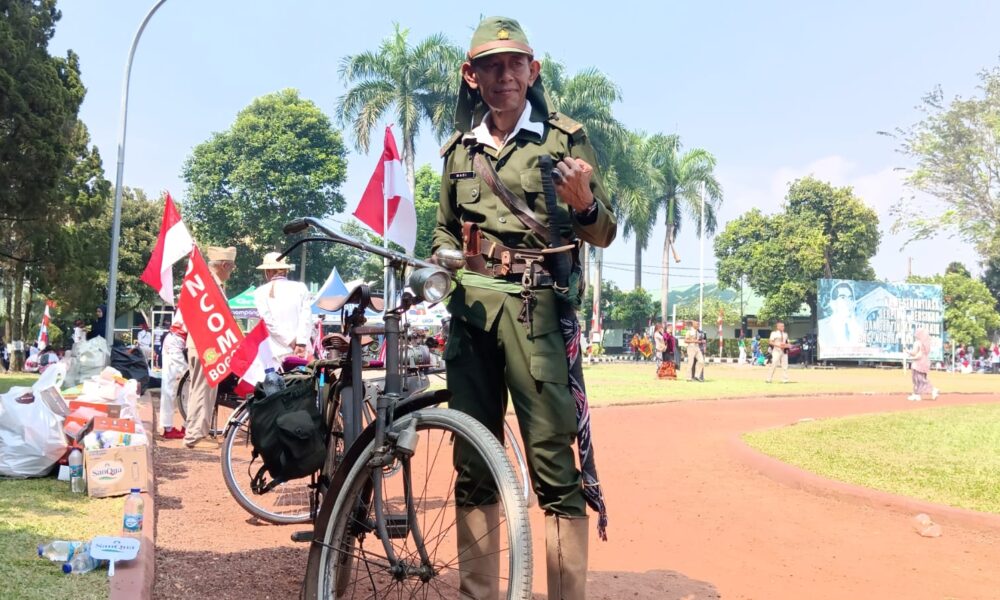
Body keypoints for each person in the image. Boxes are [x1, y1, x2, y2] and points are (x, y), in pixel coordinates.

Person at [432, 16, 616, 599]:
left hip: (536, 317)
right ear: (472, 75)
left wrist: (582, 200)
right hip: (471, 320)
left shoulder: (563, 140)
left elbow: (604, 231)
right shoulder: (459, 153)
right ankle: (478, 593)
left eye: (515, 64)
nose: (504, 75)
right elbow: (441, 233)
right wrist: (446, 259)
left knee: (552, 467)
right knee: (473, 461)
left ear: (533, 70)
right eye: (491, 64)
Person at [183, 246, 237, 450]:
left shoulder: (210, 283)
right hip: (204, 345)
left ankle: (198, 433)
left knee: (204, 390)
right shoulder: (209, 284)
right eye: (232, 267)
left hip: (206, 345)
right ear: (224, 265)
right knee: (202, 390)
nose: (232, 271)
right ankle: (195, 436)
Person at [253, 252, 313, 366]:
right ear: (285, 270)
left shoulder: (259, 293)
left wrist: (291, 342)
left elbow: (268, 323)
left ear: (268, 271)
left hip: (275, 352)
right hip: (302, 352)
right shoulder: (301, 288)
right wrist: (301, 343)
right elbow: (306, 318)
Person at [159, 309, 188, 439]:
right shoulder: (197, 298)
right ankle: (186, 426)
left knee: (169, 386)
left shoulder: (191, 296)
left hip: (174, 340)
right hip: (176, 342)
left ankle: (168, 427)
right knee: (189, 385)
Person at [817, 281, 865, 351]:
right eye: (842, 297)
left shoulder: (860, 326)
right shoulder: (823, 327)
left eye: (850, 298)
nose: (848, 302)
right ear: (833, 303)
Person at [907, 328, 939, 400]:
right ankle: (916, 394)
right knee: (920, 378)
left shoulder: (917, 343)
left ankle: (933, 390)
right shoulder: (925, 344)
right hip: (925, 362)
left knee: (918, 379)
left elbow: (916, 353)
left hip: (918, 363)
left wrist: (908, 352)